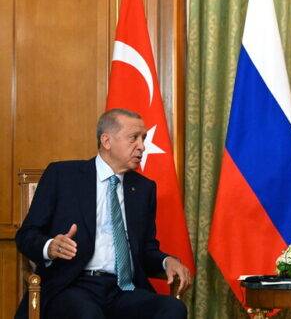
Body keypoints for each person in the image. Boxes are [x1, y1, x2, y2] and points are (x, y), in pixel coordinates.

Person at [15, 108, 191, 319]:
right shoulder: (63, 175)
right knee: (88, 314)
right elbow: (26, 235)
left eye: (143, 138)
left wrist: (166, 261)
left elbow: (146, 249)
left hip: (122, 289)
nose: (142, 146)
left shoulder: (143, 189)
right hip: (73, 285)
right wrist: (50, 246)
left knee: (173, 309)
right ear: (106, 141)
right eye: (134, 138)